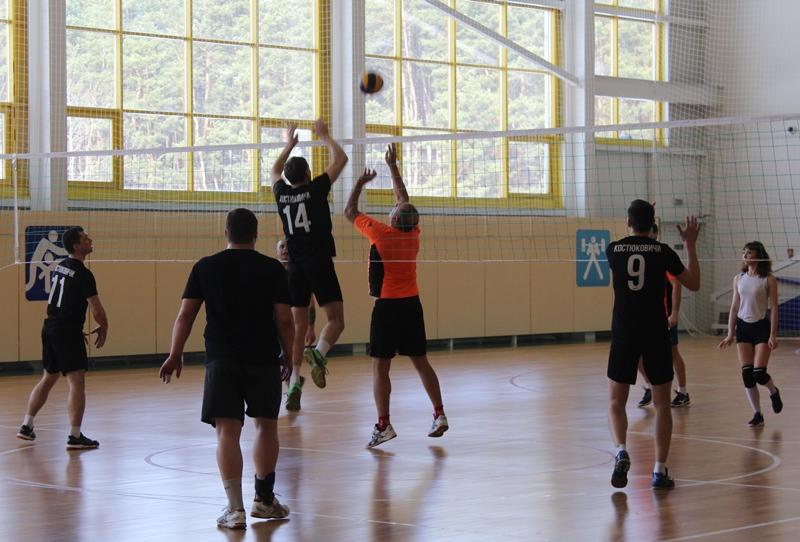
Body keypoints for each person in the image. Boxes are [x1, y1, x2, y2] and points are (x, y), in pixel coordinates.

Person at [159, 208, 294, 529]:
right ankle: (264, 500)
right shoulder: (272, 268)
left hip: (222, 358)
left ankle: (235, 510)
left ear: (226, 233)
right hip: (263, 357)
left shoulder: (205, 267)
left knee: (227, 432)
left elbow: (185, 315)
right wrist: (290, 356)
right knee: (266, 427)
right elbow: (285, 319)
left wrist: (175, 354)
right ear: (255, 234)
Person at [344, 143, 448, 448]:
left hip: (388, 307)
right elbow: (404, 201)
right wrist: (392, 166)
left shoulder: (382, 234)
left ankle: (383, 424)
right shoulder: (412, 235)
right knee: (421, 362)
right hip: (412, 305)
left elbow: (349, 211)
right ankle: (439, 413)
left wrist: (360, 183)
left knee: (380, 366)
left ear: (392, 219)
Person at [606, 200, 700, 490]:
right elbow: (694, 283)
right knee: (662, 405)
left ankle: (621, 451)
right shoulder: (663, 252)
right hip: (656, 332)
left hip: (625, 332)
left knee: (616, 402)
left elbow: (631, 254)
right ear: (654, 223)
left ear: (628, 222)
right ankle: (659, 470)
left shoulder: (613, 250)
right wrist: (690, 244)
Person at [271, 119, 348, 390]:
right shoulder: (316, 190)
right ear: (308, 173)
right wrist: (324, 135)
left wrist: (289, 145)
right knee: (336, 320)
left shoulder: (281, 194)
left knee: (298, 325)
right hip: (319, 262)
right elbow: (341, 159)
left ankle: (294, 381)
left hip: (294, 267)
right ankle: (318, 353)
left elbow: (275, 170)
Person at [17, 226, 108, 450]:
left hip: (50, 327)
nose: (90, 239)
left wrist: (72, 328)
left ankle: (26, 425)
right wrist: (104, 326)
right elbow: (97, 310)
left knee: (48, 378)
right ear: (76, 246)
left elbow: (65, 299)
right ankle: (75, 436)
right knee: (76, 381)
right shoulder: (84, 274)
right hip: (65, 331)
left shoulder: (60, 266)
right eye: (85, 238)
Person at [719, 241, 783, 427]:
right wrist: (730, 333)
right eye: (744, 252)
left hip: (761, 327)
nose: (745, 255)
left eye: (749, 252)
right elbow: (734, 307)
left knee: (759, 374)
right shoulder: (738, 278)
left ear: (758, 255)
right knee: (747, 374)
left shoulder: (768, 279)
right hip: (743, 327)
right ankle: (757, 414)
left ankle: (773, 391)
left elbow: (774, 308)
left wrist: (773, 335)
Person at [637, 224, 691, 408]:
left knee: (672, 354)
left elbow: (677, 285)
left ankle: (683, 392)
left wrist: (674, 313)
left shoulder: (661, 255)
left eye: (650, 232)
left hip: (664, 316)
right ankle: (649, 386)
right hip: (644, 317)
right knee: (636, 354)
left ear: (655, 234)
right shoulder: (640, 255)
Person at [276, 238, 316, 411]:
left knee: (287, 358)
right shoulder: (273, 272)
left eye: (287, 246)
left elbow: (311, 303)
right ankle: (294, 384)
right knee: (281, 361)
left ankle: (293, 388)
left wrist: (311, 327)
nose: (285, 249)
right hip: (276, 325)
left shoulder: (300, 272)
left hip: (293, 325)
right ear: (277, 252)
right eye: (281, 246)